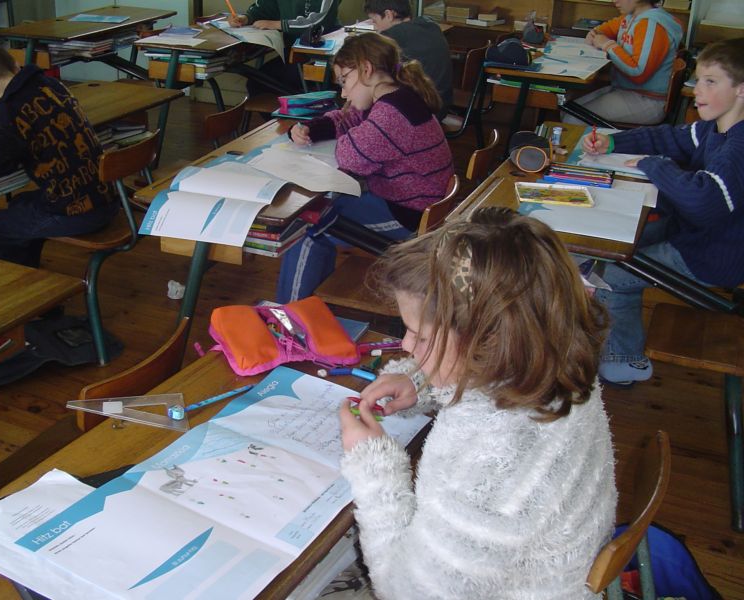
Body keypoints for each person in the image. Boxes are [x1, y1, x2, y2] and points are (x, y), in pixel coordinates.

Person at [336, 208, 616, 599]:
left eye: (420, 336)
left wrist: (372, 464)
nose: (406, 345)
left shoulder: (492, 464)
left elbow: (408, 593)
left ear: (488, 342)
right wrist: (420, 381)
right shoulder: (552, 357)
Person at [582, 37, 744, 386]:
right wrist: (614, 141)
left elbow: (704, 201)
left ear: (741, 90)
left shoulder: (739, 146)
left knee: (610, 276)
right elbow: (669, 138)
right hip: (699, 239)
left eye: (710, 82)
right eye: (698, 80)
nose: (697, 90)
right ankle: (599, 337)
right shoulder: (715, 129)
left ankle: (624, 362)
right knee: (615, 243)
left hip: (711, 256)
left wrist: (656, 165)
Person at [276, 33, 454, 303]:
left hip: (408, 217)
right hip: (414, 205)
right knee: (321, 211)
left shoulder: (391, 114)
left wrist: (349, 133)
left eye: (344, 80)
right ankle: (309, 310)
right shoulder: (398, 97)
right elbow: (348, 118)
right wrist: (311, 128)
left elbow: (349, 156)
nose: (344, 93)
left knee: (306, 228)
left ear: (366, 69)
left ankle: (289, 317)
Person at [0, 42, 117, 268]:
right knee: (20, 204)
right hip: (106, 197)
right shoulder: (50, 85)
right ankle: (31, 271)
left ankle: (23, 281)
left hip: (75, 212)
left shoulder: (10, 114)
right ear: (14, 65)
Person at [564, 0, 683, 125]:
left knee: (572, 118)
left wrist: (607, 45)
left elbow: (638, 73)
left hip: (648, 100)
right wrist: (595, 34)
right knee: (566, 109)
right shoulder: (631, 17)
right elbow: (604, 30)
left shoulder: (652, 25)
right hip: (627, 90)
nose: (614, 0)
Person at [228, 0, 341, 95]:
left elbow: (319, 21)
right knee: (255, 84)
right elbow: (265, 8)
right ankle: (284, 113)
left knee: (259, 84)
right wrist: (246, 18)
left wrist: (278, 24)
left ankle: (294, 112)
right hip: (294, 54)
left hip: (322, 58)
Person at [363, 0, 453, 119]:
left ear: (389, 15)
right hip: (442, 105)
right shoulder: (430, 24)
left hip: (422, 113)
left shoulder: (392, 35)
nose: (375, 27)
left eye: (375, 21)